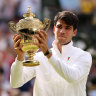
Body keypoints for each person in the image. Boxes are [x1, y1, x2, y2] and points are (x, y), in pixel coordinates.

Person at [10, 11, 92, 96]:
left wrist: (48, 53)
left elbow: (71, 77)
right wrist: (19, 58)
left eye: (67, 28)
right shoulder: (39, 57)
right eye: (59, 27)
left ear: (74, 32)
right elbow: (15, 83)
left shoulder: (84, 56)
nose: (62, 31)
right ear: (54, 29)